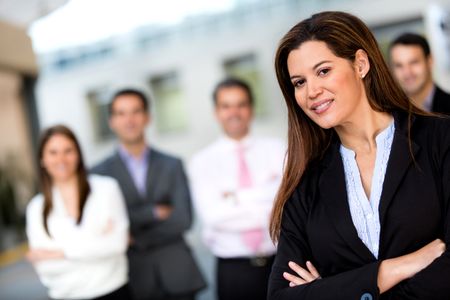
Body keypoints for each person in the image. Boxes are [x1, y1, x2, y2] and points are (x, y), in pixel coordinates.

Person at [268, 11, 450, 300]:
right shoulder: (305, 180)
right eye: (299, 82)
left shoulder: (441, 139)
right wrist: (390, 271)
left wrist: (330, 288)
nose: (312, 91)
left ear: (361, 64)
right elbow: (280, 296)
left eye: (323, 71)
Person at [91, 88, 205, 300]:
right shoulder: (98, 174)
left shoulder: (173, 164)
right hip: (133, 278)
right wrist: (152, 212)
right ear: (111, 121)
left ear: (148, 117)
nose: (129, 120)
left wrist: (133, 234)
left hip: (178, 274)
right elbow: (105, 226)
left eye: (136, 111)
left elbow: (183, 219)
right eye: (121, 113)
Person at [189, 78, 286, 300]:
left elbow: (288, 207)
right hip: (234, 271)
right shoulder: (201, 161)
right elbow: (214, 216)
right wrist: (266, 196)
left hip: (282, 263)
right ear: (216, 112)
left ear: (251, 109)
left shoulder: (278, 149)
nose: (234, 112)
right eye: (226, 106)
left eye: (241, 104)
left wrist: (236, 198)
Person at [26, 125, 131, 300]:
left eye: (68, 151)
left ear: (78, 155)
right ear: (42, 159)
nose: (61, 159)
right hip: (66, 296)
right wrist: (97, 245)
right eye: (53, 152)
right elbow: (45, 267)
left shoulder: (106, 189)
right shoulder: (35, 208)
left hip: (113, 291)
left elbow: (117, 244)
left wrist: (60, 253)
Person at [389, 32, 450, 113]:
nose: (407, 73)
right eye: (399, 65)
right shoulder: (389, 114)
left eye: (414, 62)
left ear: (429, 61)